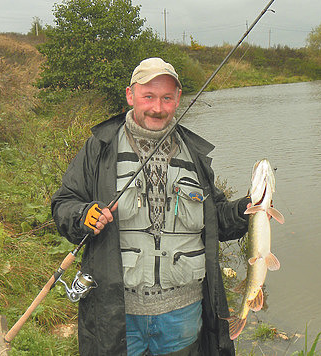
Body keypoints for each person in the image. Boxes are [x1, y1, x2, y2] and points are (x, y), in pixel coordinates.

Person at [51, 57, 250, 355]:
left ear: (178, 99)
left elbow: (217, 221)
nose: (158, 107)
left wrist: (248, 208)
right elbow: (64, 203)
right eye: (148, 96)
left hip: (182, 315)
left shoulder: (194, 154)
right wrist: (83, 215)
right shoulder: (100, 148)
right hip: (117, 314)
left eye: (167, 98)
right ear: (130, 95)